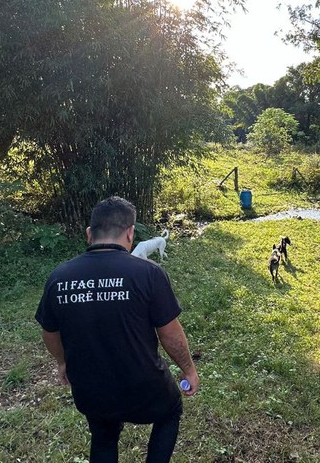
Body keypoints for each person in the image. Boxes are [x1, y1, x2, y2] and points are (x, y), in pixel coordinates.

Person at [35, 196, 199, 463]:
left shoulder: (59, 277)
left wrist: (62, 363)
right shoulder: (149, 273)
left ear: (89, 234)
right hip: (145, 387)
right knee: (170, 412)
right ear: (130, 233)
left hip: (91, 388)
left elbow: (49, 332)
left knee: (103, 434)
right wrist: (188, 370)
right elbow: (169, 333)